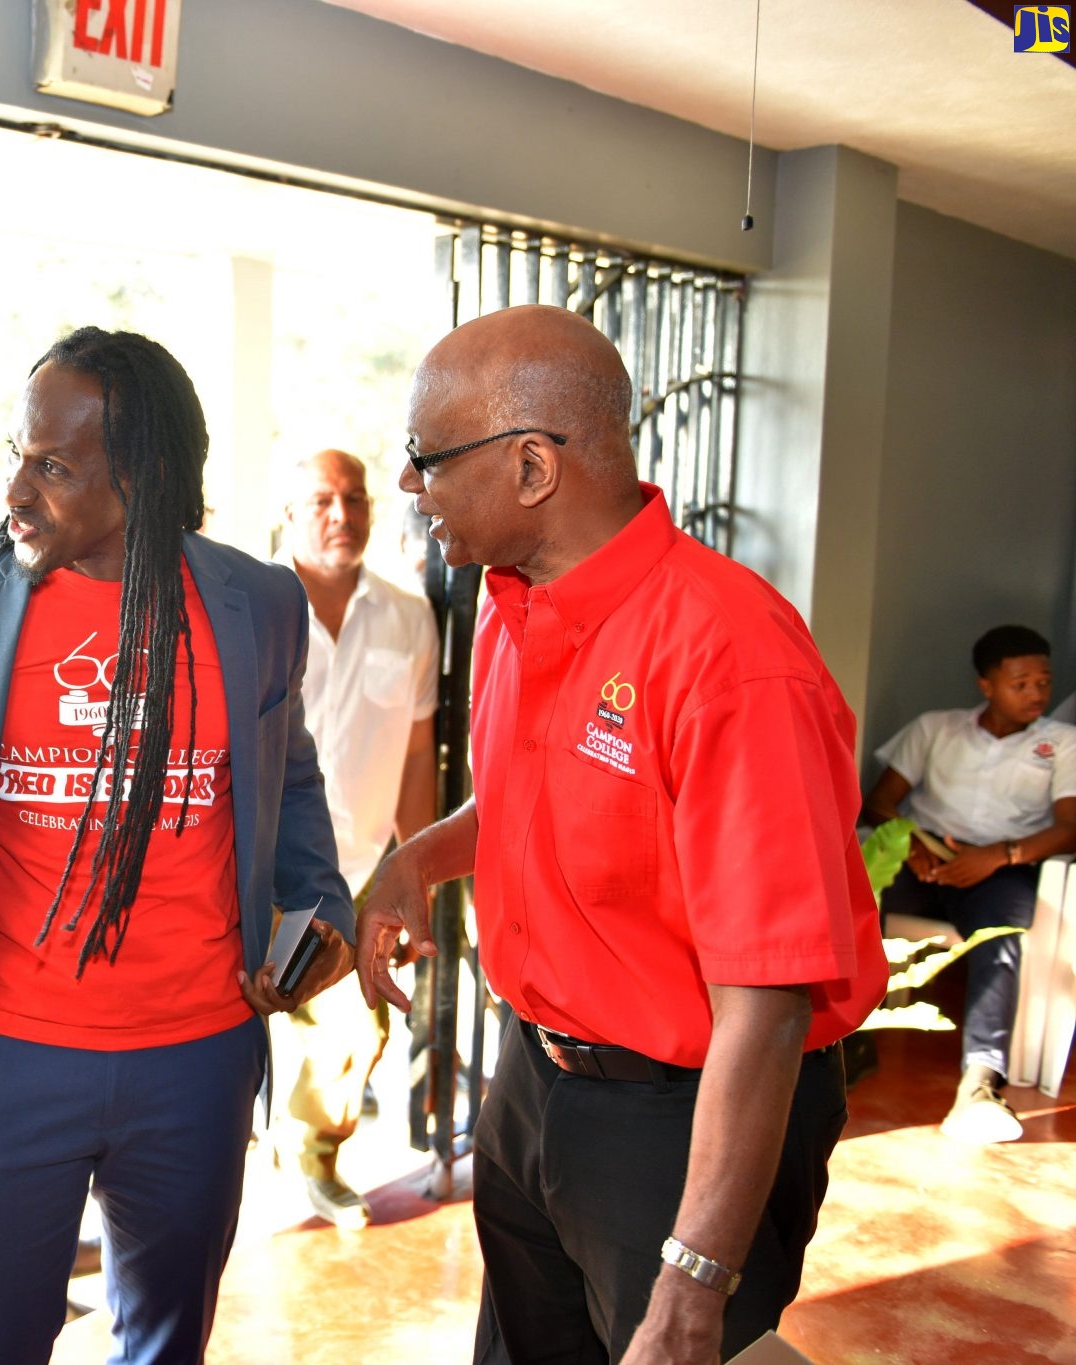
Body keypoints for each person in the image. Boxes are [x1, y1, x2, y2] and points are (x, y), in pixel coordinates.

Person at [0, 327, 354, 1365]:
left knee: (164, 1345)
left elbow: (286, 774)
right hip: (5, 1055)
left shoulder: (260, 605)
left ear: (141, 475)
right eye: (15, 454)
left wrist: (319, 905)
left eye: (51, 467)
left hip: (196, 1054)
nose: (17, 490)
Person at [357, 304, 887, 1365]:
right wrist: (413, 860)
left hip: (681, 1116)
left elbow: (768, 1003)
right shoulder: (515, 607)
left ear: (530, 468)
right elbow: (520, 799)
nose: (408, 485)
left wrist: (694, 1274)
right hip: (533, 1081)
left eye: (426, 457)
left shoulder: (729, 657)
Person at [273, 448, 440, 1228]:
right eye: (321, 500)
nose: (342, 514)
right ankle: (260, 1148)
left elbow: (415, 753)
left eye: (355, 497)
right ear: (288, 511)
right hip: (264, 864)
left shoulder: (408, 615)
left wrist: (420, 870)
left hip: (364, 865)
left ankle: (314, 1156)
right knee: (250, 1013)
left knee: (356, 1022)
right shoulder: (252, 608)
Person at [864, 624, 1076, 1142]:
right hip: (925, 859)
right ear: (986, 684)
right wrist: (910, 844)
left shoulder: (1062, 742)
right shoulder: (935, 729)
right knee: (856, 894)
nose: (1036, 694)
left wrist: (998, 857)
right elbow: (880, 802)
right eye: (1020, 683)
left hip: (1002, 870)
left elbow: (1070, 824)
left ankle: (980, 1082)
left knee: (1002, 936)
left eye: (1043, 683)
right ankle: (845, 1039)